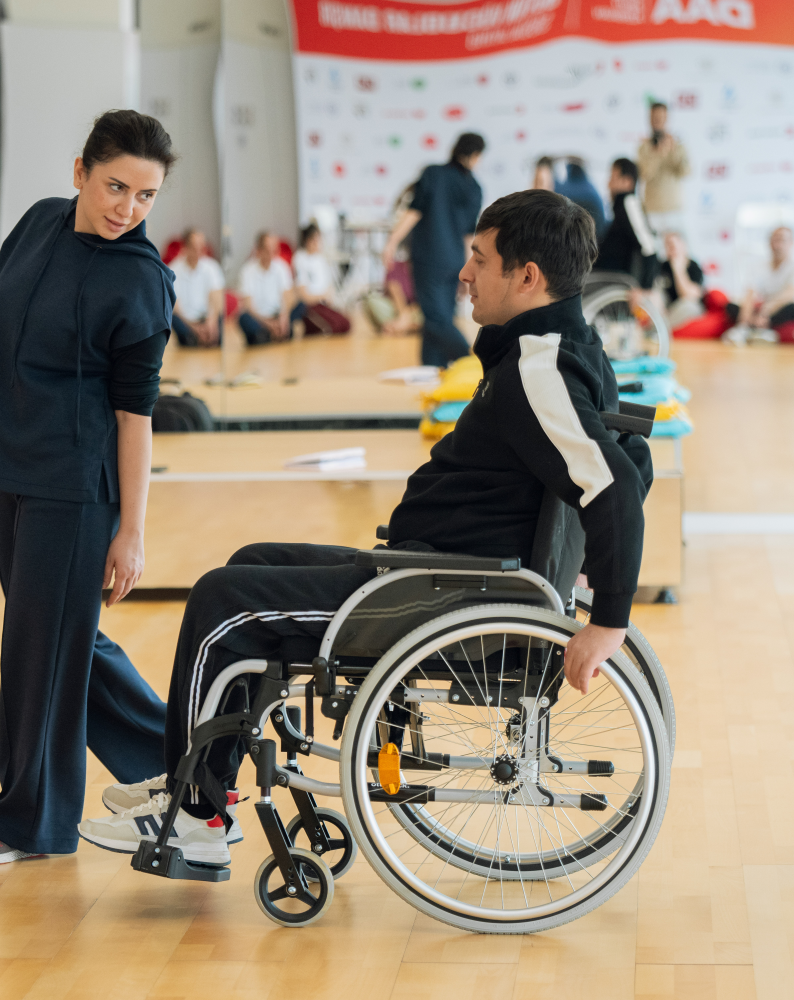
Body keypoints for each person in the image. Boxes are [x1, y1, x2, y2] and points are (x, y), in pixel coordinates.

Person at [77, 189, 654, 865]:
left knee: (221, 599)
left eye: (479, 258)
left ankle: (195, 816)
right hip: (436, 573)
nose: (463, 272)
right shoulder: (561, 349)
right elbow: (632, 457)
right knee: (251, 560)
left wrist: (609, 619)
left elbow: (615, 483)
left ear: (527, 277)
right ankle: (204, 785)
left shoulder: (539, 367)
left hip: (445, 594)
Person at [0, 110, 177, 866]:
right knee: (63, 638)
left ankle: (27, 821)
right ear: (80, 172)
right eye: (115, 187)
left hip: (75, 487)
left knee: (38, 647)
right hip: (9, 464)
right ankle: (186, 765)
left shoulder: (142, 281)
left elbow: (136, 417)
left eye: (145, 195)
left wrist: (131, 531)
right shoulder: (38, 223)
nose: (127, 208)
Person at [381, 132, 485, 367]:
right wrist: (469, 269)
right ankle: (431, 369)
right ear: (475, 155)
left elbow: (414, 211)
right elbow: (469, 235)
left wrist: (391, 242)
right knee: (437, 319)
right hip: (455, 261)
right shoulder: (475, 188)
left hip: (429, 259)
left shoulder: (433, 174)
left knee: (436, 319)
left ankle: (471, 361)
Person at [724, 226, 794, 345]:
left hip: (789, 309)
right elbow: (750, 294)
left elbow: (790, 295)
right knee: (730, 307)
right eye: (774, 240)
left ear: (792, 243)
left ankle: (762, 329)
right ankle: (751, 329)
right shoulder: (760, 266)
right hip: (765, 310)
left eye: (782, 240)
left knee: (791, 308)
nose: (777, 245)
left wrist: (766, 311)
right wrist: (744, 321)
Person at [592, 158, 658, 291]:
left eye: (613, 177)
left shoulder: (629, 202)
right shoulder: (620, 207)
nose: (608, 183)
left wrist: (646, 288)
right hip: (606, 277)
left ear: (627, 182)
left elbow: (648, 246)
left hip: (616, 281)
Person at [636, 101, 689, 240]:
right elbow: (643, 174)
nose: (657, 121)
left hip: (674, 209)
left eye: (661, 118)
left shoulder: (677, 145)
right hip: (652, 210)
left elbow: (686, 172)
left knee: (678, 249)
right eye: (654, 118)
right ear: (649, 119)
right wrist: (658, 154)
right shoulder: (643, 147)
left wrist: (674, 151)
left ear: (667, 119)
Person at [290, 222, 351, 335]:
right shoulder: (300, 259)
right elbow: (304, 295)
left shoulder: (320, 259)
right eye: (316, 239)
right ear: (308, 241)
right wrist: (322, 296)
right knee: (332, 327)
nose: (319, 243)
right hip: (310, 306)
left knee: (345, 324)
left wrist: (329, 299)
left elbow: (329, 288)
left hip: (324, 304)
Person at [236, 232, 295, 345]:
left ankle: (270, 334)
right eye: (268, 250)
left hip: (277, 315)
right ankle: (268, 334)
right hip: (259, 318)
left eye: (274, 250)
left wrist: (283, 318)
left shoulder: (282, 267)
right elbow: (248, 306)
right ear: (259, 250)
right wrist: (268, 324)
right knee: (243, 318)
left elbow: (288, 297)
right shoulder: (247, 271)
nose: (271, 254)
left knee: (300, 306)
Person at [169, 228, 225, 347]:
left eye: (202, 246)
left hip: (207, 318)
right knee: (173, 319)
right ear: (185, 247)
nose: (199, 250)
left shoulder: (212, 267)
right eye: (195, 246)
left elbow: (216, 299)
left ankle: (207, 336)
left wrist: (211, 322)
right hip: (186, 321)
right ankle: (195, 338)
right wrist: (194, 327)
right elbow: (175, 307)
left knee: (221, 323)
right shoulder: (173, 270)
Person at [656, 231, 706, 328]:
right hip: (667, 310)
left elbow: (689, 296)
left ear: (683, 245)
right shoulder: (662, 266)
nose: (672, 248)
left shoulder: (694, 267)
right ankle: (659, 327)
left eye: (674, 244)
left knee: (689, 306)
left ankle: (660, 328)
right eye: (668, 245)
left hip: (685, 309)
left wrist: (678, 270)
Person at [554, 156, 609, 237]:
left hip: (588, 238)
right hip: (597, 235)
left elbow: (556, 193)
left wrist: (552, 168)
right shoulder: (590, 187)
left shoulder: (573, 189)